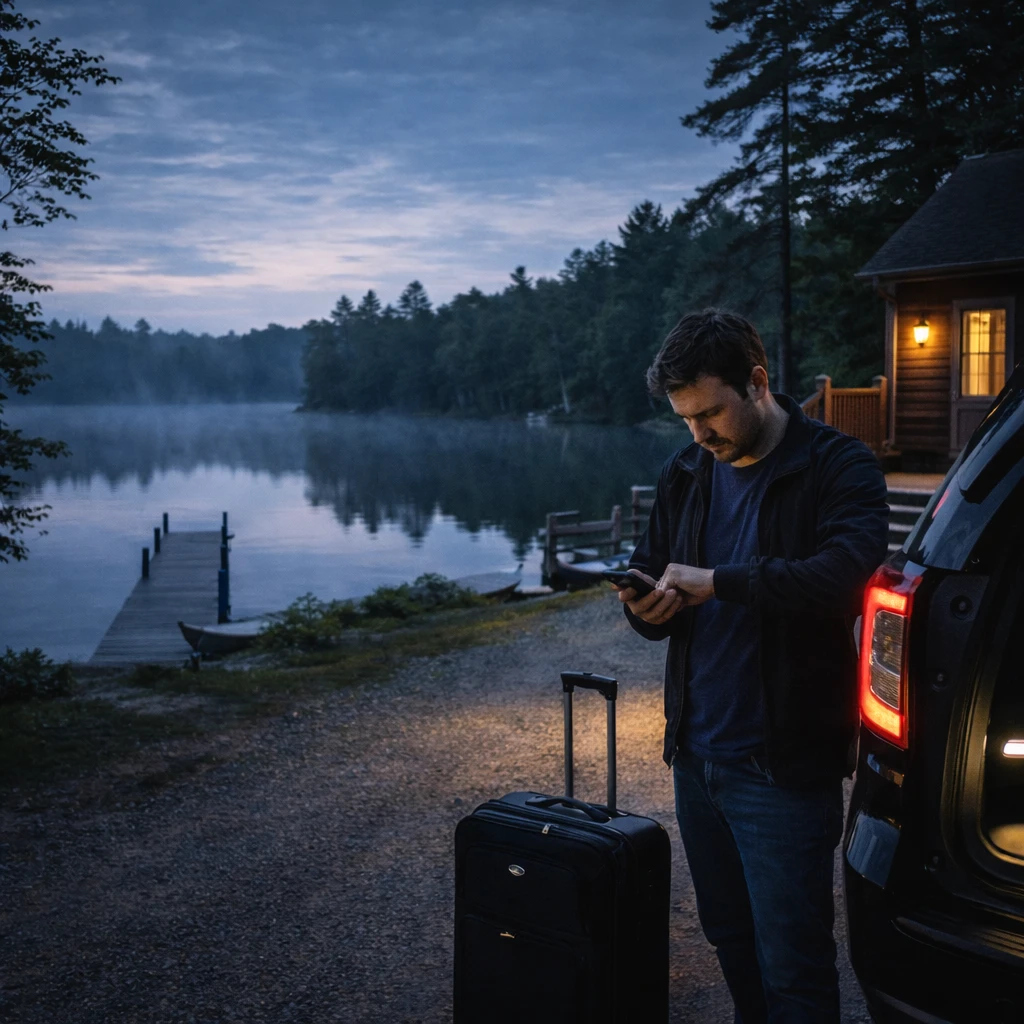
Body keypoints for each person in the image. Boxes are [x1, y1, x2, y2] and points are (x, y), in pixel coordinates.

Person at [615, 309, 888, 1023]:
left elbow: (844, 578)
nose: (699, 435)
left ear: (757, 382)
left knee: (793, 962)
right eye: (685, 419)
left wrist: (722, 581)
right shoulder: (687, 469)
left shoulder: (838, 465)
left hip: (783, 768)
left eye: (710, 413)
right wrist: (645, 611)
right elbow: (652, 574)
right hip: (696, 758)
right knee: (731, 939)